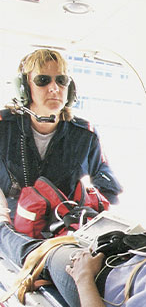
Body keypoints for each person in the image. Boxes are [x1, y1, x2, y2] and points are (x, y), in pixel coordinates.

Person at [0, 48, 122, 225]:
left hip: (61, 232)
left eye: (61, 80)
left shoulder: (85, 135)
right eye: (42, 80)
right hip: (10, 233)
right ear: (24, 89)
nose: (54, 88)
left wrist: (83, 212)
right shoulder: (3, 128)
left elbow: (110, 188)